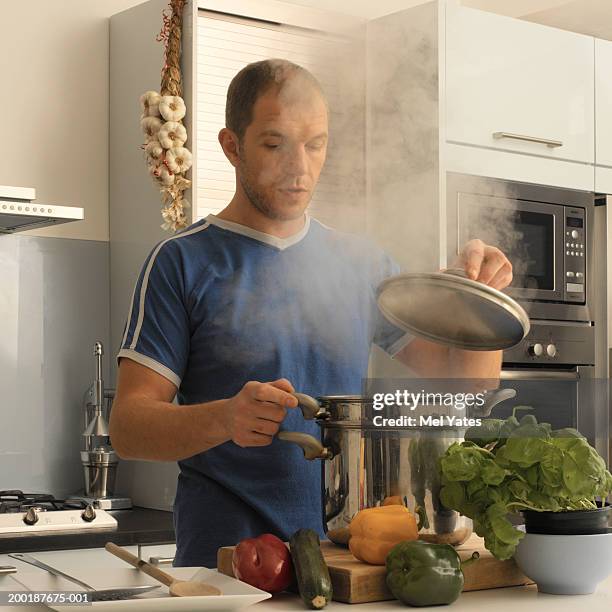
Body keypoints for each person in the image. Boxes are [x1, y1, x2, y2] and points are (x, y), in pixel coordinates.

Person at [109, 59, 512, 568]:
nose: (299, 168)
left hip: (349, 560)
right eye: (275, 145)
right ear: (232, 146)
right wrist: (225, 417)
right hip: (226, 569)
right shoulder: (181, 262)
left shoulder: (362, 265)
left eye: (315, 144)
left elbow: (465, 392)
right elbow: (129, 427)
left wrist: (480, 301)